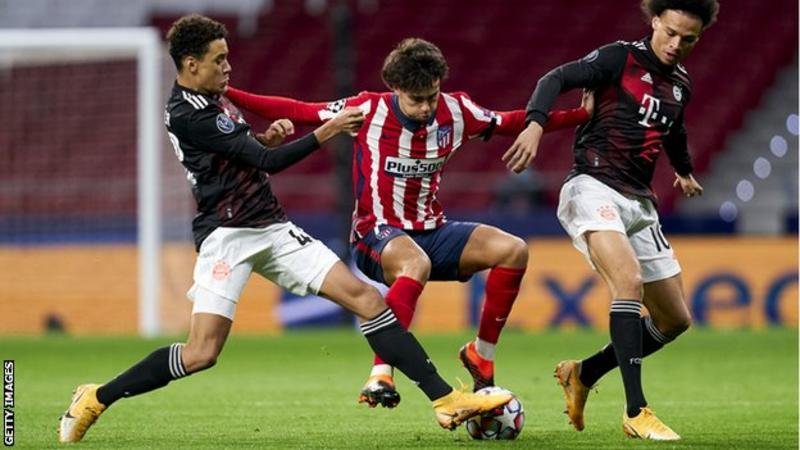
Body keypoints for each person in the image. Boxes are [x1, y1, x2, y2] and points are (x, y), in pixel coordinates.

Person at [57, 15, 514, 443]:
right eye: (219, 59)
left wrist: (262, 138)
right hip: (227, 236)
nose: (228, 66)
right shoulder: (188, 111)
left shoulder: (211, 101)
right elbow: (268, 163)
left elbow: (243, 153)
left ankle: (446, 399)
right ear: (191, 65)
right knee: (201, 353)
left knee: (369, 300)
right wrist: (326, 130)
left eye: (227, 56)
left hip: (272, 227)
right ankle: (96, 397)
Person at [223, 38, 591, 408]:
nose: (427, 107)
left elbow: (509, 121)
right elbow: (298, 110)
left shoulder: (456, 110)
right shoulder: (367, 109)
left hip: (431, 229)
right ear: (396, 88)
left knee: (513, 250)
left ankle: (482, 355)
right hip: (375, 234)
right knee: (415, 263)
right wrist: (229, 92)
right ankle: (381, 372)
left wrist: (579, 115)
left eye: (432, 96)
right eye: (417, 100)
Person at [503, 0, 719, 441]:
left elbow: (674, 131)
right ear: (655, 21)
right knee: (628, 280)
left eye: (689, 39)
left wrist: (684, 170)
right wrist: (535, 124)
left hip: (640, 202)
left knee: (675, 320)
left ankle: (583, 372)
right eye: (671, 32)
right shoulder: (618, 58)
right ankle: (636, 410)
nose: (677, 44)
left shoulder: (680, 84)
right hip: (592, 186)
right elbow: (556, 78)